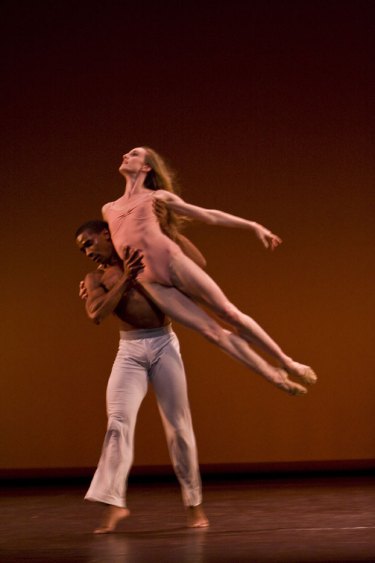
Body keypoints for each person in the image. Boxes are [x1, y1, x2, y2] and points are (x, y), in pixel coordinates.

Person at [102, 146, 317, 397]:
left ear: (147, 166)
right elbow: (115, 248)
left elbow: (208, 216)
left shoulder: (157, 197)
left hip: (171, 261)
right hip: (149, 280)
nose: (126, 156)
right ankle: (276, 378)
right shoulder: (109, 209)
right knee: (212, 333)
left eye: (134, 154)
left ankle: (287, 362)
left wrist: (252, 225)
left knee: (229, 313)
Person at [75, 220, 209, 533]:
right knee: (118, 424)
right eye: (82, 249)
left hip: (164, 343)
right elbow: (96, 314)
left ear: (106, 234)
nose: (87, 252)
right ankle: (113, 506)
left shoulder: (145, 257)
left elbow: (199, 264)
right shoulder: (96, 278)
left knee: (179, 427)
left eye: (89, 243)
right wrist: (125, 280)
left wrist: (163, 229)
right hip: (130, 352)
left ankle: (194, 504)